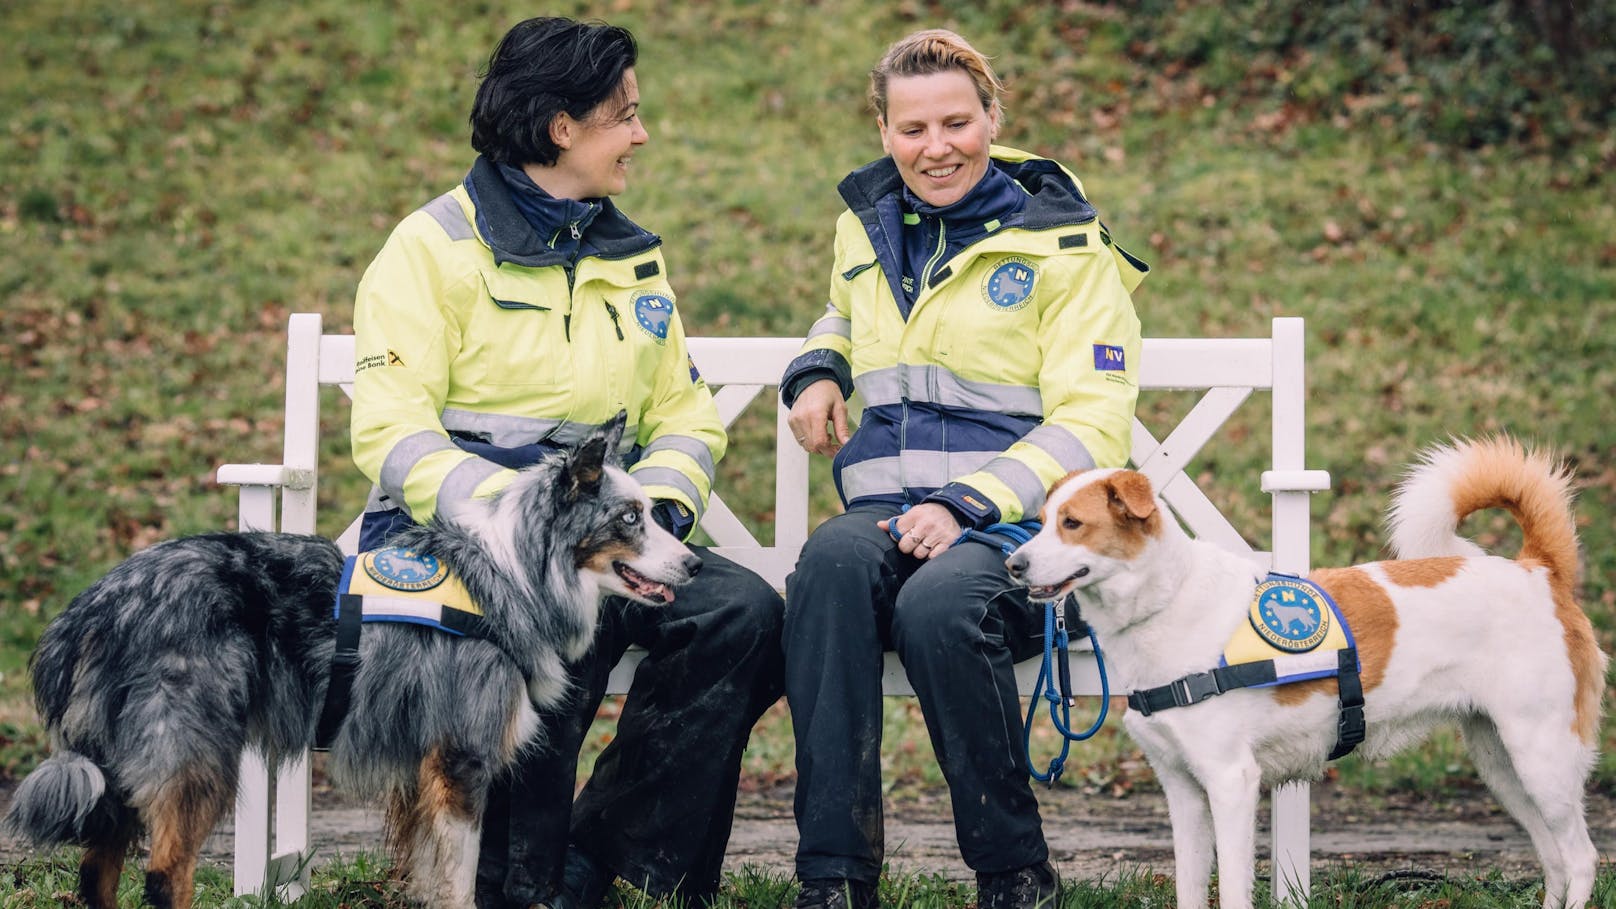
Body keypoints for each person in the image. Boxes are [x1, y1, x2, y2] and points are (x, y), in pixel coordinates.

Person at [348, 17, 785, 909]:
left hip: (602, 543)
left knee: (742, 614)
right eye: (624, 115)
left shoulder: (632, 254)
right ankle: (516, 883)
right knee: (535, 614)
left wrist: (644, 514)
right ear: (561, 129)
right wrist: (522, 524)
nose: (641, 133)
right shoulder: (430, 248)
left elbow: (686, 413)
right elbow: (390, 426)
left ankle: (598, 865)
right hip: (461, 542)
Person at [780, 28, 1147, 909]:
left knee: (940, 606)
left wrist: (965, 502)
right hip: (886, 516)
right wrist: (818, 366)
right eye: (912, 129)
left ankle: (1014, 874)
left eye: (956, 122)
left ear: (993, 118)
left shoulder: (1064, 246)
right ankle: (833, 878)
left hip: (1019, 531)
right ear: (884, 132)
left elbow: (1094, 422)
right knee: (826, 570)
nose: (935, 147)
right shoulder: (863, 226)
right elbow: (840, 314)